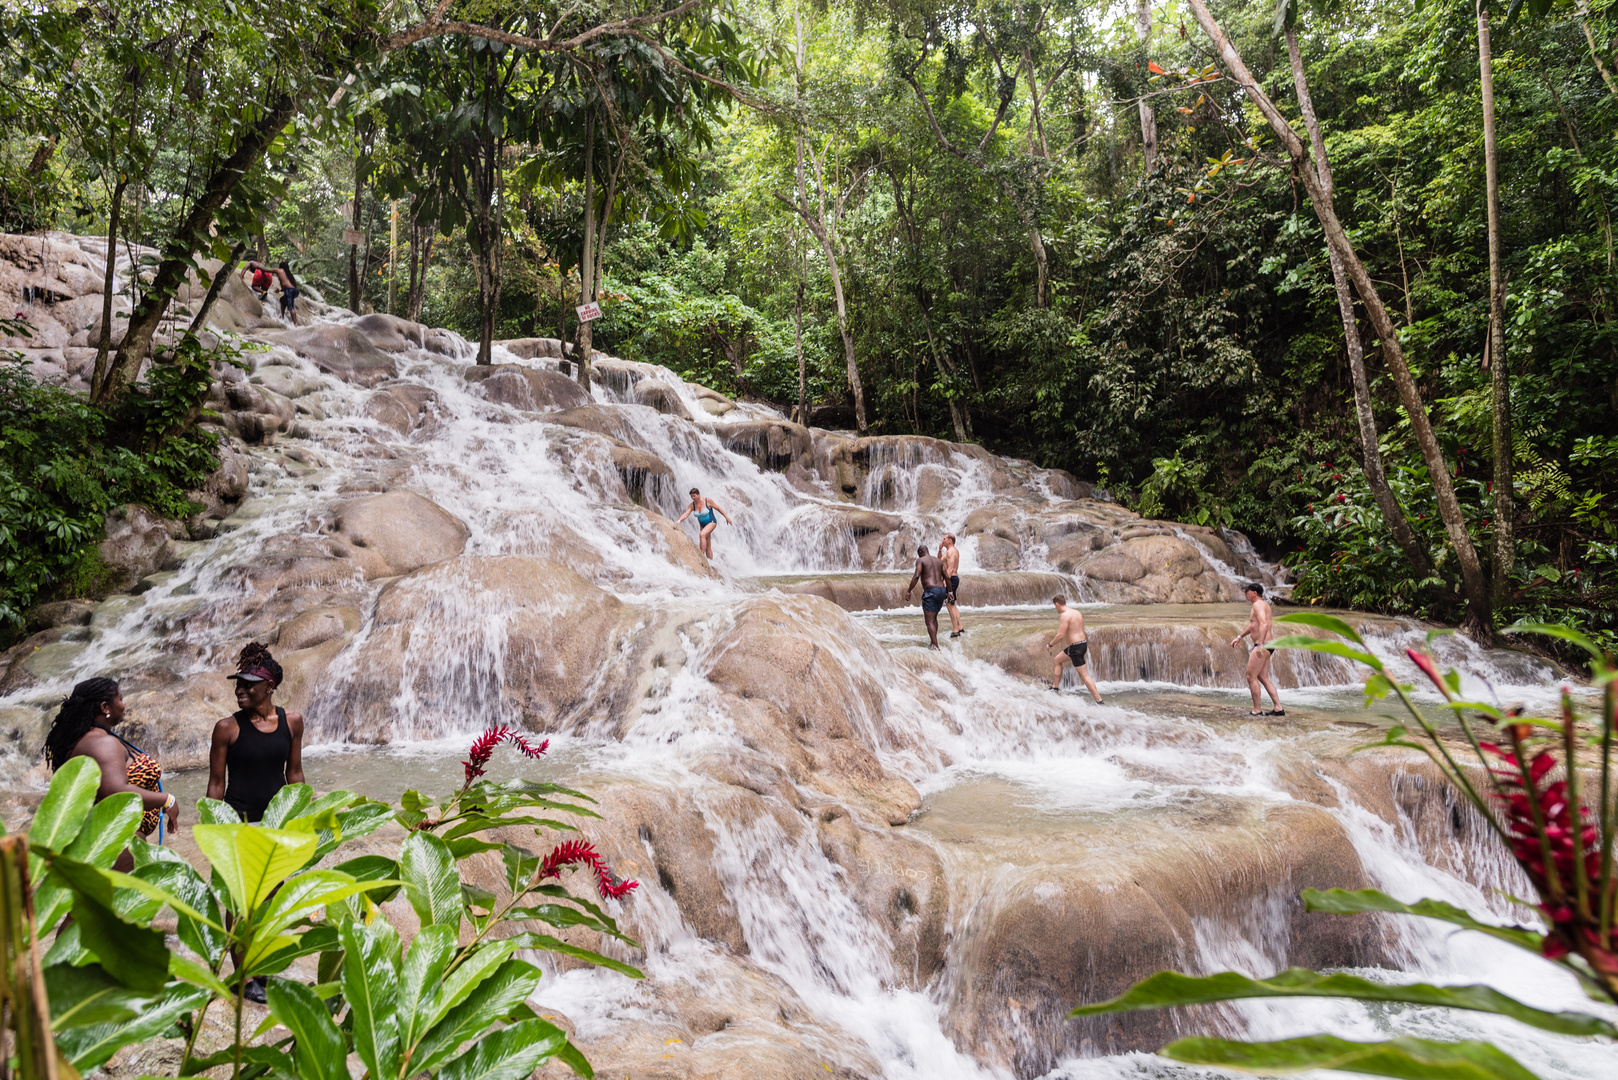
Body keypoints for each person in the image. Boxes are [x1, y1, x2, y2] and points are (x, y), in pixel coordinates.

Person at [42, 678, 178, 869]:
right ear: (105, 707)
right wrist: (166, 799)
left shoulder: (86, 739)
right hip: (117, 839)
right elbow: (117, 792)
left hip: (103, 839)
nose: (124, 704)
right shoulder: (102, 743)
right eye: (121, 699)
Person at [208, 642, 305, 823]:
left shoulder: (293, 722)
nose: (239, 691)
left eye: (248, 685)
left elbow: (295, 773)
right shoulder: (226, 728)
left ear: (269, 686)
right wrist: (213, 827)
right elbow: (216, 783)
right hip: (238, 822)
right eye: (238, 685)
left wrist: (301, 817)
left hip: (279, 819)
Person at [1230, 583, 1284, 716]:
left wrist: (1259, 644)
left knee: (1250, 676)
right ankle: (1278, 708)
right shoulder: (1264, 605)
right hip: (1269, 644)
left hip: (1263, 645)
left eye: (1247, 591)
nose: (1245, 593)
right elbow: (1254, 625)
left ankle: (1256, 710)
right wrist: (1239, 637)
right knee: (1263, 677)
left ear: (1254, 593)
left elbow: (1264, 624)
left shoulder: (1257, 605)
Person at [1046, 595, 1103, 703]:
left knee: (1084, 675)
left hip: (1076, 648)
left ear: (1057, 604)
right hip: (1080, 645)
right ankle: (1055, 688)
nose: (1056, 609)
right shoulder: (1077, 612)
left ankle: (1099, 701)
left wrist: (1050, 644)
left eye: (1055, 606)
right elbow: (1082, 629)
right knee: (1057, 660)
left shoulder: (1065, 615)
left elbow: (1060, 635)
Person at [904, 545, 949, 650]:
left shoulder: (921, 560)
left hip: (931, 591)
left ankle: (936, 647)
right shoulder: (938, 561)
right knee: (934, 618)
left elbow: (916, 576)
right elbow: (946, 576)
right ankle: (934, 642)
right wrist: (950, 592)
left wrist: (909, 590)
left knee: (929, 621)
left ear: (920, 552)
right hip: (942, 590)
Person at [676, 487, 733, 560]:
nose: (693, 498)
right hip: (702, 525)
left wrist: (726, 517)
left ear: (698, 495)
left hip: (711, 522)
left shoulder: (707, 501)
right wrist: (679, 520)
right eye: (691, 496)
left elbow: (718, 508)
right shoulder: (692, 505)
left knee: (702, 535)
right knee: (708, 545)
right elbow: (686, 514)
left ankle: (701, 556)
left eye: (694, 496)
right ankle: (711, 562)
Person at [939, 533, 964, 638]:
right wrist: (940, 550)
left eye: (944, 539)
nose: (942, 540)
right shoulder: (948, 552)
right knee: (952, 604)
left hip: (951, 579)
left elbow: (951, 568)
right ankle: (960, 627)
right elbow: (939, 561)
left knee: (949, 604)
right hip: (952, 579)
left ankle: (955, 630)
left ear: (950, 540)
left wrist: (945, 581)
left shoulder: (952, 552)